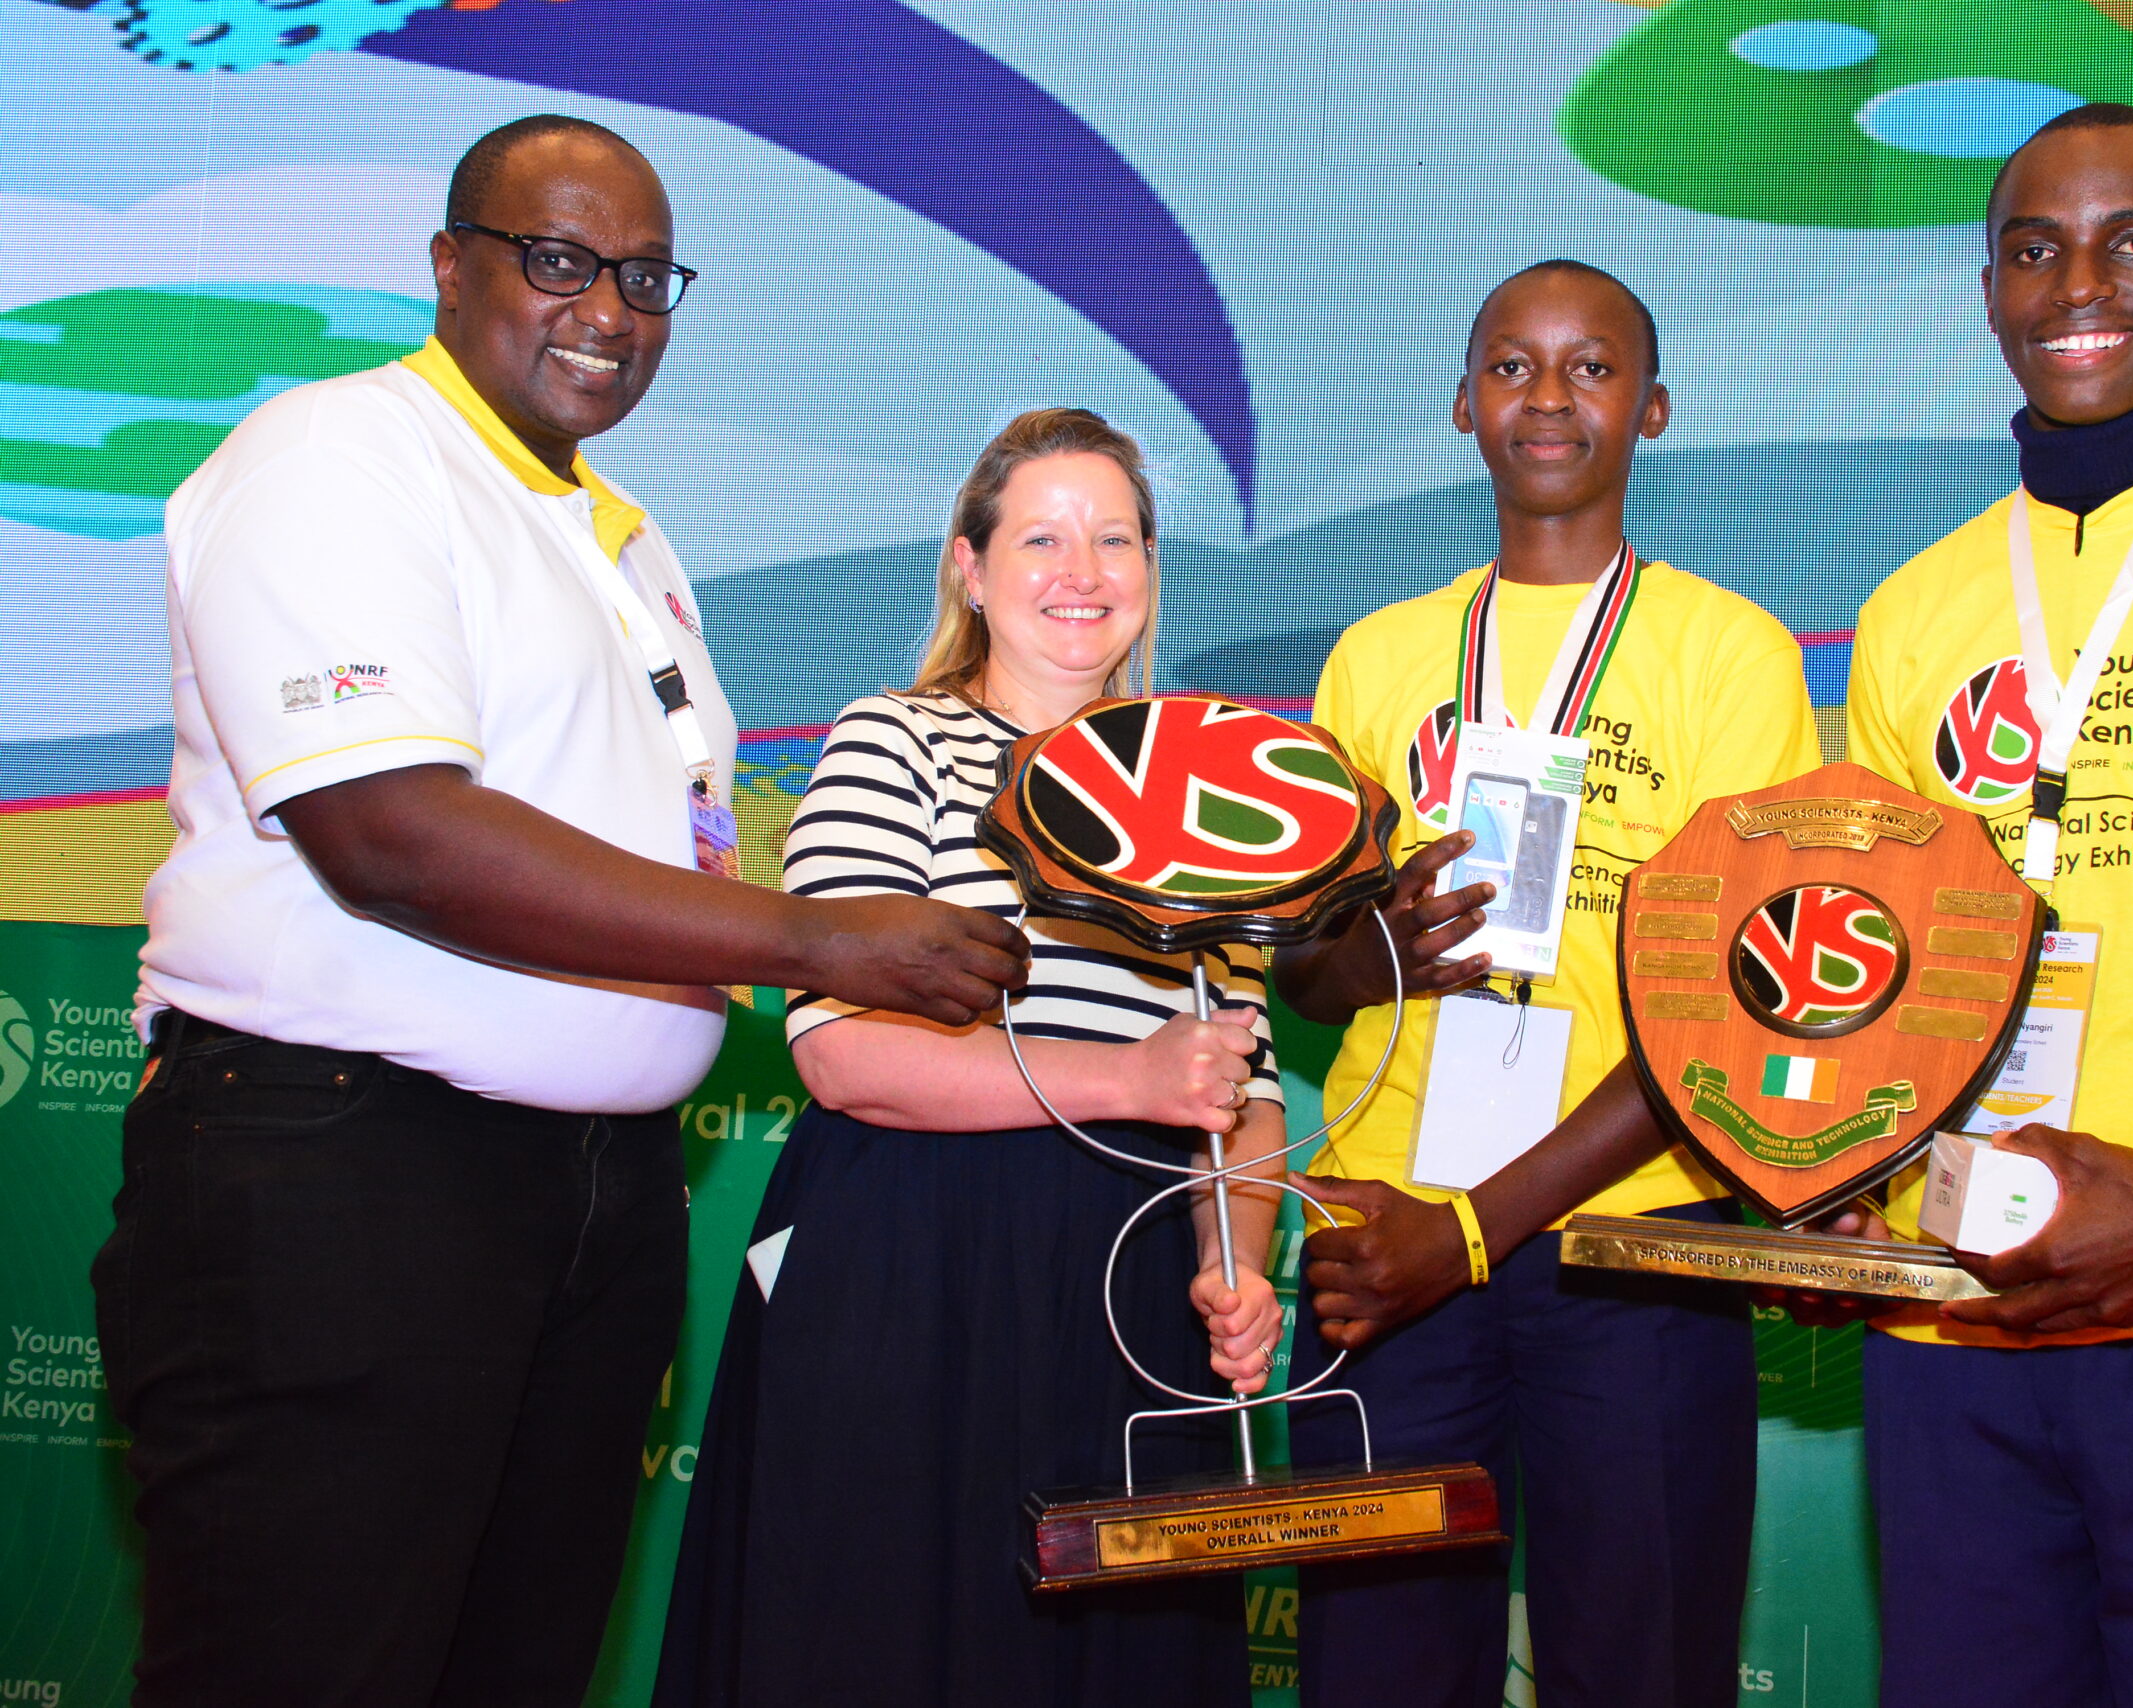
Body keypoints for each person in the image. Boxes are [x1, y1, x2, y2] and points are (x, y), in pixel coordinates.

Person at [1303, 107, 2133, 1708]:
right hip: (1952, 1335)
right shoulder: (1913, 615)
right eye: (2035, 250)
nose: (2080, 286)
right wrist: (1833, 1187)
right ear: (1987, 295)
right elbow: (1863, 979)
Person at [92, 116, 1028, 1708]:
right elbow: (390, 834)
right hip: (350, 1175)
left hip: (581, 1205)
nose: (607, 308)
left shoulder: (619, 532)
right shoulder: (338, 456)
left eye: (646, 277)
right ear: (449, 267)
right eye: (558, 261)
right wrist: (821, 941)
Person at [654, 407, 1286, 1708]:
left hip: (1134, 1293)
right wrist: (1129, 1081)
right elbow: (843, 1057)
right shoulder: (894, 740)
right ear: (968, 567)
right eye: (1042, 535)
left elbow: (1246, 1087)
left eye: (1116, 538)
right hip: (911, 1273)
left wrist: (1236, 1262)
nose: (1082, 571)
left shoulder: (1211, 802)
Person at [1276, 261, 1822, 1707]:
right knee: (1379, 1669)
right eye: (1513, 366)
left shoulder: (1734, 656)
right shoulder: (1378, 658)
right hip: (1375, 1237)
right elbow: (1315, 980)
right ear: (1465, 406)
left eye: (1591, 368)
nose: (1549, 396)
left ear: (1652, 409)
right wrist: (1372, 946)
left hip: (1631, 1242)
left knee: (1638, 1666)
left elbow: (1734, 1018)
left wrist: (1470, 1233)